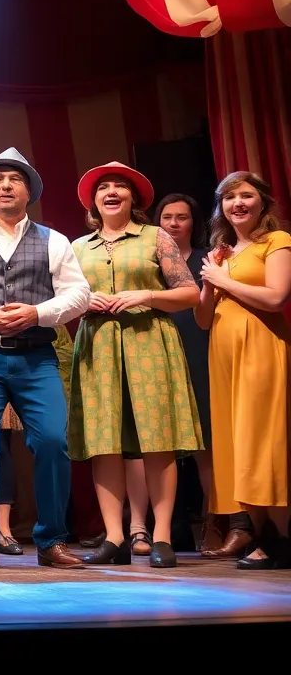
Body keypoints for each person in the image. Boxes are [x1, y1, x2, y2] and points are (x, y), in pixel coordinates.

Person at [0, 148, 90, 569]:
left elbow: (79, 294)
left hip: (36, 356)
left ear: (30, 192)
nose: (6, 185)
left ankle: (51, 540)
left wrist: (37, 313)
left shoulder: (53, 239)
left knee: (52, 441)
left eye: (16, 179)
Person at [69, 163, 202, 569]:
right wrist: (82, 302)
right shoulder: (77, 247)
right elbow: (60, 300)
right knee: (104, 441)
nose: (111, 192)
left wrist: (146, 293)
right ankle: (114, 536)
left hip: (149, 339)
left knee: (157, 437)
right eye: (103, 187)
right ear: (94, 201)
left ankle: (160, 536)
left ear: (134, 200)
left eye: (120, 187)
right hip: (98, 345)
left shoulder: (156, 237)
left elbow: (190, 293)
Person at [194, 171, 291, 569]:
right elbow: (202, 318)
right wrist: (209, 281)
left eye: (247, 195)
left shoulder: (277, 241)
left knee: (262, 440)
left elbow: (276, 297)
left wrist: (223, 279)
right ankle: (262, 532)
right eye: (230, 197)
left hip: (261, 351)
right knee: (236, 443)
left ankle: (283, 536)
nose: (238, 203)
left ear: (263, 202)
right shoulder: (223, 252)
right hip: (224, 354)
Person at [157, 193, 254, 558]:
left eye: (182, 217)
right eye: (167, 217)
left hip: (201, 350)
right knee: (164, 445)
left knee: (206, 444)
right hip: (160, 353)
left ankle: (218, 520)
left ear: (193, 223)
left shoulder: (207, 259)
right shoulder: (153, 262)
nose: (173, 223)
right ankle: (171, 525)